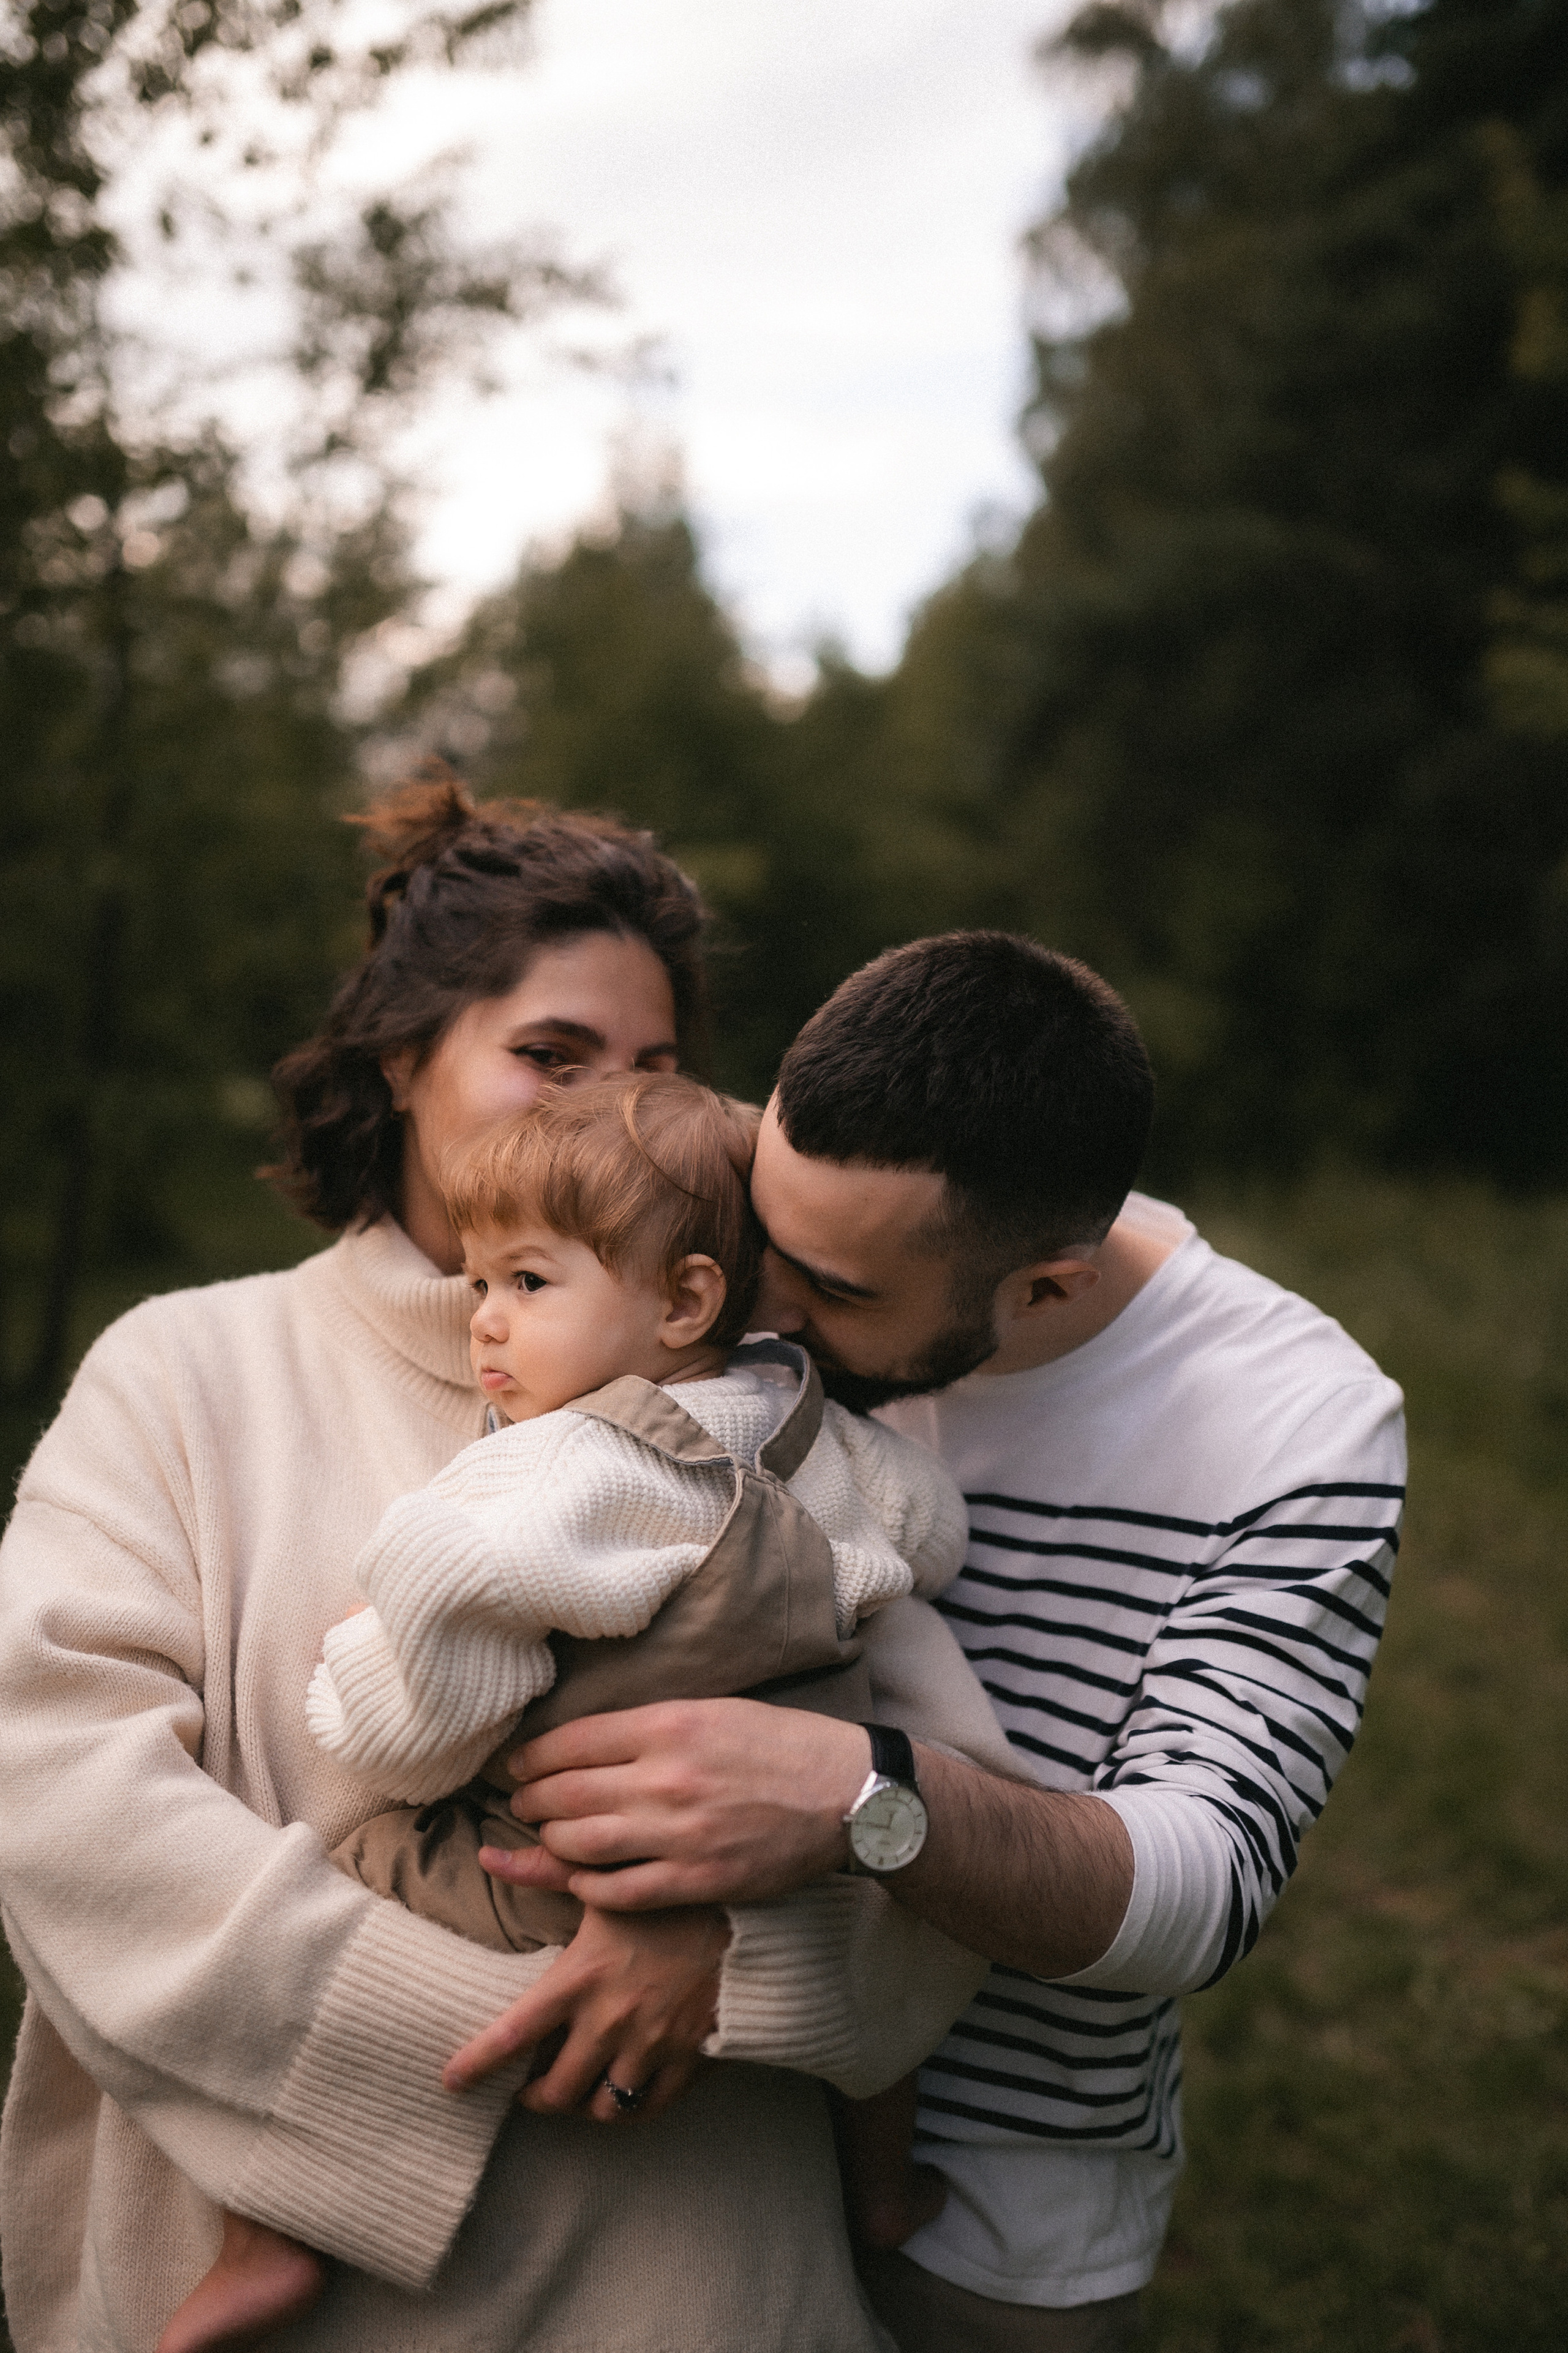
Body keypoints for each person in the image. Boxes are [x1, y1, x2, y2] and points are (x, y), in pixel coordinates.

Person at [0, 788, 1005, 2353]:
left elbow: (953, 1814)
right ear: (404, 1058)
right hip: (288, 2291)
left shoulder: (758, 1409)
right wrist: (484, 2023)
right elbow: (57, 1794)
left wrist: (726, 1951)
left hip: (697, 2294)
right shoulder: (185, 1370)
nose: (607, 1105)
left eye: (654, 1068)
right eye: (552, 1053)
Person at [483, 932, 1408, 2353]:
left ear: (1041, 1287)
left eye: (837, 1292)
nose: (760, 1313)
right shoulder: (765, 1239)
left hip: (978, 2213)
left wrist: (856, 1801)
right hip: (681, 2162)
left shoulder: (1296, 1424)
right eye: (763, 1239)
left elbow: (1205, 1886)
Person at [160, 1071, 970, 2352]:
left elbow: (427, 1708)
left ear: (685, 1299)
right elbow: (931, 1532)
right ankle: (880, 2185)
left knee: (352, 1873)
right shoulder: (816, 1430)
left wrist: (351, 1671)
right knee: (897, 1993)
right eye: (479, 1280)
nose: (484, 1320)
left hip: (574, 1866)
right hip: (785, 1853)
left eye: (528, 1282)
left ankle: (280, 2223)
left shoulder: (561, 1466)